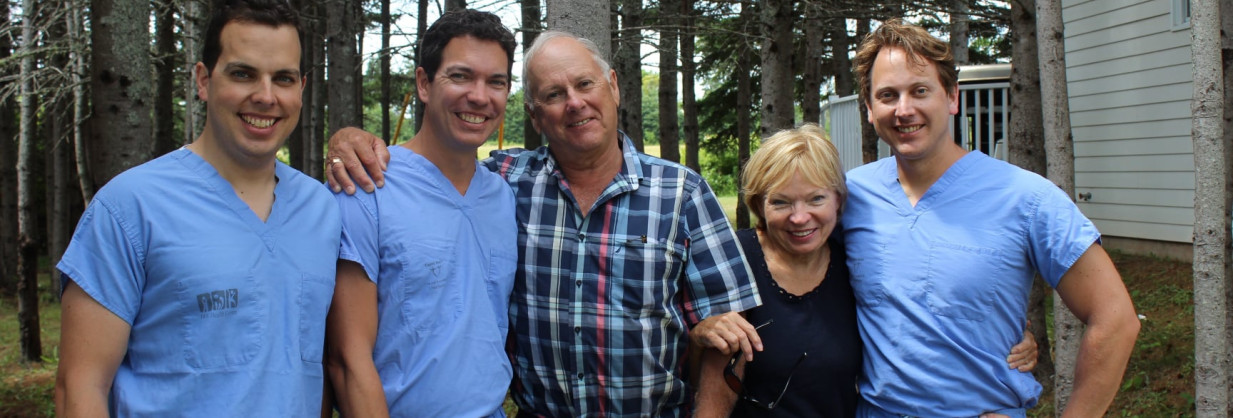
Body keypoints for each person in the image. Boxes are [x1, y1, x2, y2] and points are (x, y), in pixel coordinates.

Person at [326, 31, 760, 417]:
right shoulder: (509, 182)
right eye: (553, 94)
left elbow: (730, 332)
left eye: (585, 84)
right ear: (535, 117)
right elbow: (430, 168)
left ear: (613, 87)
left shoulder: (682, 192)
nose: (574, 103)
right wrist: (347, 139)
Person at [54, 1, 340, 416]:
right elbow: (79, 387)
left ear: (301, 88)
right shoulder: (131, 207)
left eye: (283, 78)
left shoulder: (322, 210)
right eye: (243, 74)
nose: (265, 96)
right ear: (203, 80)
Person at [841, 19, 1139, 417]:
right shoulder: (848, 197)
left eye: (920, 91)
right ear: (869, 109)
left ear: (952, 97)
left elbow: (1116, 319)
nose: (904, 109)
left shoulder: (1026, 198)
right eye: (887, 95)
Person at [692, 125, 1040, 418]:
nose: (800, 218)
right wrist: (699, 330)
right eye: (781, 202)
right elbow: (704, 375)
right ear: (758, 204)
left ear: (839, 201)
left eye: (816, 199)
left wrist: (1003, 339)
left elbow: (920, 314)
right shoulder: (734, 259)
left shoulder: (857, 260)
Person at [323, 10, 517, 417]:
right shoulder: (366, 188)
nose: (480, 96)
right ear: (424, 83)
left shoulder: (504, 195)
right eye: (461, 76)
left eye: (495, 82)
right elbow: (346, 358)